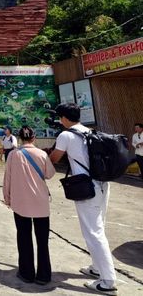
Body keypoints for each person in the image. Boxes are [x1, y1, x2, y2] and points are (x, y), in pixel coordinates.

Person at [50, 103, 117, 295]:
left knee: (93, 232)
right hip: (102, 184)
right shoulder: (89, 132)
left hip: (87, 187)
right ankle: (97, 268)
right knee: (98, 228)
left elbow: (54, 158)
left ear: (63, 118)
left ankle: (107, 279)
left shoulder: (66, 135)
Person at [3, 126, 55, 285]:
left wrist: (7, 198)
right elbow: (50, 174)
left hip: (20, 203)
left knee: (24, 237)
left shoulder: (13, 155)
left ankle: (26, 273)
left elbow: (7, 179)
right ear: (34, 138)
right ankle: (44, 275)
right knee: (42, 240)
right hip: (40, 203)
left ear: (19, 138)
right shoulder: (42, 154)